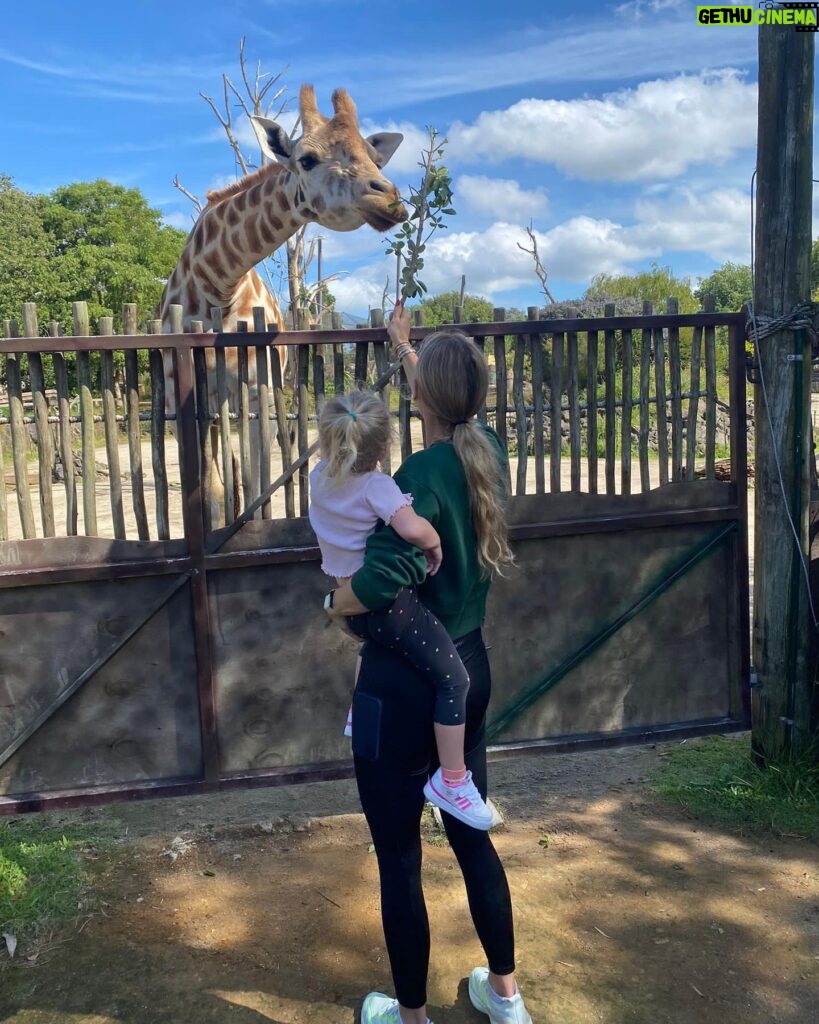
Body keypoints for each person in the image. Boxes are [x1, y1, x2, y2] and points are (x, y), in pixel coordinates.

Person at [326, 302, 533, 1024]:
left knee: (399, 861)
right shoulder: (488, 453)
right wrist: (410, 351)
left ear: (420, 403)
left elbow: (379, 580)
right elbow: (451, 420)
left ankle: (409, 1016)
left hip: (398, 687)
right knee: (470, 832)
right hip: (465, 673)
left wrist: (335, 603)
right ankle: (504, 997)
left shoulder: (412, 473)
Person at [310, 388, 493, 830]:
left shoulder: (318, 476)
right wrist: (433, 544)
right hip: (385, 606)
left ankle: (358, 709)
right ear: (384, 445)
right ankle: (451, 779)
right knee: (454, 679)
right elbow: (412, 529)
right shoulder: (378, 486)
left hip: (349, 601)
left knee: (368, 648)